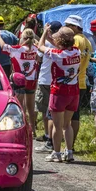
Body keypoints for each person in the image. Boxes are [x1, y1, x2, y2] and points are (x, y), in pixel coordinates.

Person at [37, 25, 81, 163]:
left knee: (57, 125)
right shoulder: (76, 51)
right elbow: (61, 45)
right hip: (74, 92)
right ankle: (69, 152)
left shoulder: (57, 54)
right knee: (67, 124)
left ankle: (56, 153)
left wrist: (44, 33)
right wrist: (52, 37)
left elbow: (40, 46)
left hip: (59, 92)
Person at [0, 26, 39, 129]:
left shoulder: (17, 50)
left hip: (19, 81)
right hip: (32, 80)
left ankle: (22, 127)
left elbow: (3, 46)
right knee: (31, 107)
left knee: (21, 107)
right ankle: (33, 129)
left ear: (22, 38)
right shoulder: (36, 49)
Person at [34, 21, 62, 152]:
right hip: (56, 81)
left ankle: (48, 136)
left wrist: (44, 34)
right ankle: (54, 137)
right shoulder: (62, 45)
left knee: (46, 110)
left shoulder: (48, 44)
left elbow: (38, 57)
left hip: (45, 80)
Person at [64, 15, 91, 145]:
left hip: (72, 81)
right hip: (82, 80)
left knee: (66, 116)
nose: (66, 29)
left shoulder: (75, 40)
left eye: (68, 26)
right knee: (76, 115)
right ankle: (72, 144)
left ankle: (66, 144)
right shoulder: (87, 40)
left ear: (75, 27)